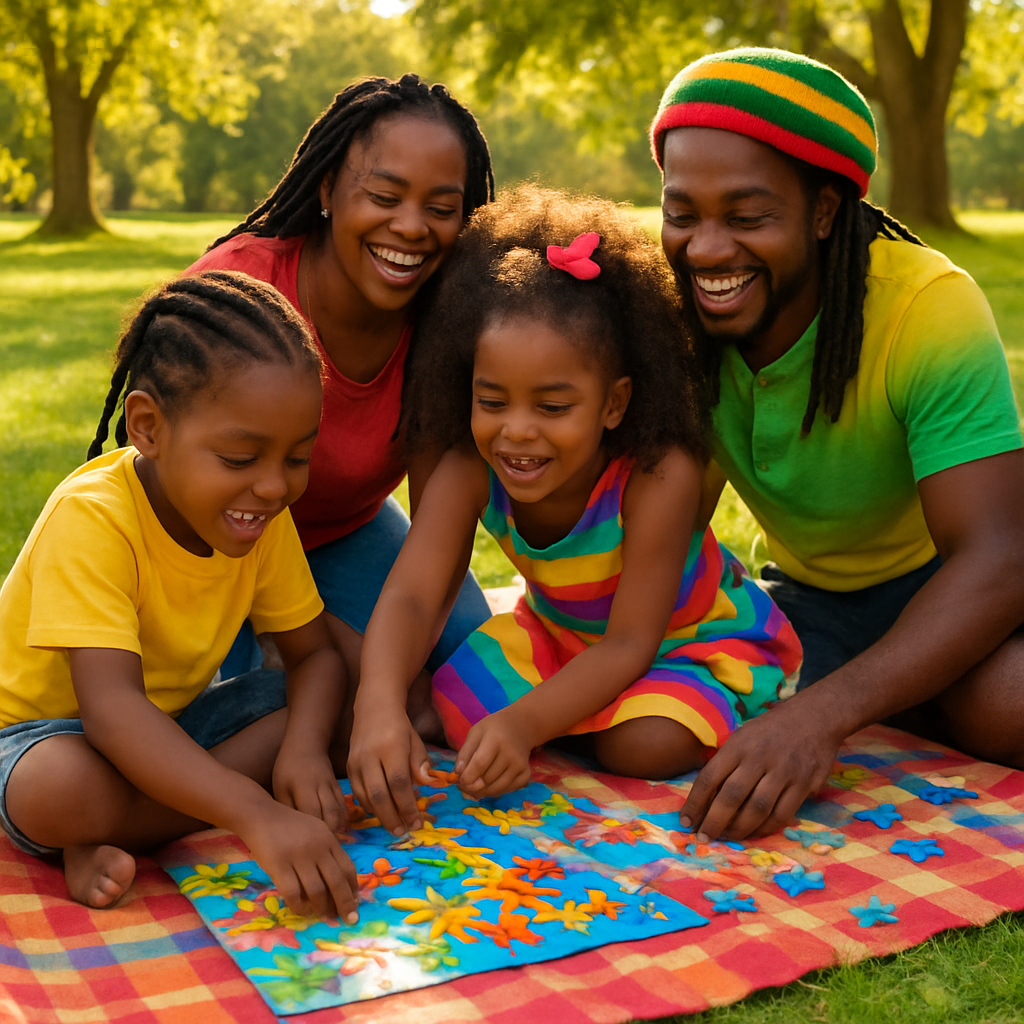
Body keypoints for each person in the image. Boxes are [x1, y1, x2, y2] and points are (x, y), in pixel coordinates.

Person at [650, 47, 1024, 842]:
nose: (708, 249)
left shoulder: (929, 309)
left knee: (1004, 708)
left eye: (747, 217)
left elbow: (1000, 556)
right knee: (673, 717)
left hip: (954, 585)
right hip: (812, 605)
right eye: (682, 213)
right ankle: (916, 689)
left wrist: (823, 714)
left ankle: (923, 683)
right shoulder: (677, 318)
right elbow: (669, 518)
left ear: (823, 212)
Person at [345, 186, 803, 835]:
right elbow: (415, 595)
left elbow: (629, 642)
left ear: (614, 404)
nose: (518, 433)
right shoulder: (468, 465)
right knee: (441, 712)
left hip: (686, 644)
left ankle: (648, 715)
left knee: (641, 747)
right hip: (557, 639)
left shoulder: (655, 474)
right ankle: (574, 718)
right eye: (492, 400)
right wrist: (378, 705)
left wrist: (524, 724)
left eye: (553, 408)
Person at [0, 272, 358, 919]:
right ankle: (93, 825)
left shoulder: (260, 511)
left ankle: (115, 829)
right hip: (46, 736)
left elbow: (315, 657)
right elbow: (111, 713)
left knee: (334, 707)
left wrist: (303, 750)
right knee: (55, 792)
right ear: (148, 427)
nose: (275, 487)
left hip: (169, 729)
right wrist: (256, 811)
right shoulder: (93, 517)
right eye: (241, 457)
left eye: (296, 458)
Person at [185, 74, 496, 729]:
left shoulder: (448, 324)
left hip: (341, 531)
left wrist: (388, 673)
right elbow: (170, 494)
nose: (411, 228)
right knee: (266, 711)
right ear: (328, 190)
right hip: (217, 543)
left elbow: (440, 534)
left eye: (441, 208)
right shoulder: (239, 293)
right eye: (384, 196)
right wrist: (346, 660)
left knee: (473, 669)